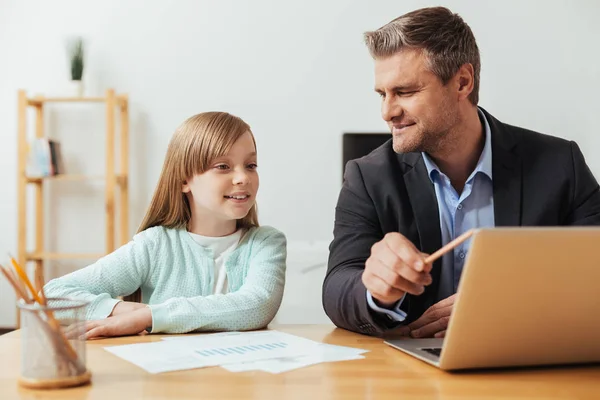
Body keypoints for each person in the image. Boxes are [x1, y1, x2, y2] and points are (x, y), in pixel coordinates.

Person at [323, 6, 600, 337]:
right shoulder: (368, 177)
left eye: (405, 92)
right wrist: (376, 290)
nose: (387, 112)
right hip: (414, 369)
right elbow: (337, 286)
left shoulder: (559, 163)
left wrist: (502, 305)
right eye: (383, 94)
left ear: (463, 82)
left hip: (527, 354)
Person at [44, 111, 287, 338]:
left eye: (251, 166)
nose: (243, 177)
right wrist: (119, 310)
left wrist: (150, 316)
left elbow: (257, 305)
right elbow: (52, 296)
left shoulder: (266, 243)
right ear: (184, 180)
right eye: (222, 166)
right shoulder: (155, 245)